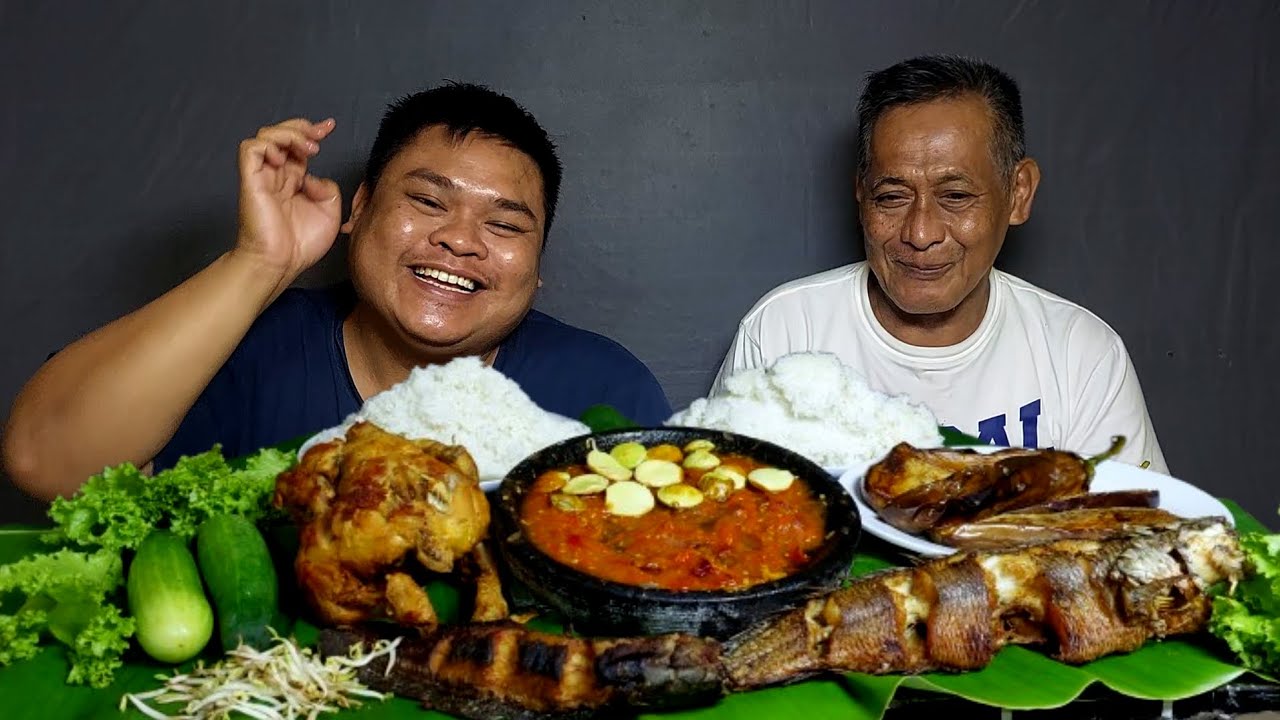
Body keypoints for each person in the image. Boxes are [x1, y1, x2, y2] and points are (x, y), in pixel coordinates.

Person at [4, 82, 671, 501]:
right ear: (359, 210)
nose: (461, 240)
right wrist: (259, 260)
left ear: (537, 265)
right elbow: (44, 461)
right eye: (427, 200)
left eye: (503, 224)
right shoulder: (244, 350)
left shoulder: (609, 389)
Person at [713, 55, 1167, 472]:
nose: (921, 233)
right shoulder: (785, 330)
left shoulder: (1079, 353)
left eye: (956, 197)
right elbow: (715, 520)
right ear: (860, 195)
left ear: (1018, 193)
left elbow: (1136, 533)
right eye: (891, 197)